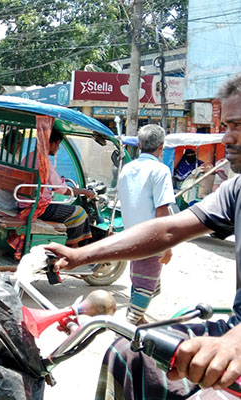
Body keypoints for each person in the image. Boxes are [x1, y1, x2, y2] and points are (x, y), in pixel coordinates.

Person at [45, 74, 241, 400]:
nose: (227, 137)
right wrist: (81, 255)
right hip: (230, 328)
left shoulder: (132, 168)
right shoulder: (235, 189)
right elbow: (167, 227)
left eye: (237, 126)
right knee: (129, 353)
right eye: (227, 126)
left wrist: (234, 343)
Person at [117, 124, 175, 325]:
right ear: (161, 146)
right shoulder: (160, 170)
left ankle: (138, 316)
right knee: (146, 283)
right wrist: (167, 244)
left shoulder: (127, 168)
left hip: (130, 235)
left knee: (140, 278)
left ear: (139, 145)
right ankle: (130, 323)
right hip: (151, 236)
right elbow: (161, 210)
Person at [22, 128, 96, 246]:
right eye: (58, 144)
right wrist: (85, 192)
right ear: (51, 143)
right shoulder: (43, 161)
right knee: (80, 212)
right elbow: (62, 189)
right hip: (36, 207)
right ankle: (72, 248)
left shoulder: (30, 155)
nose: (58, 148)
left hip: (26, 202)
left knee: (68, 210)